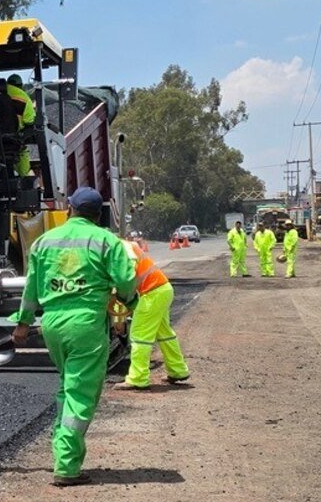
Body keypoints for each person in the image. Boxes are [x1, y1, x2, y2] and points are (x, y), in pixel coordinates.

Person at [10, 187, 136, 486]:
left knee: (68, 386)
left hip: (53, 324)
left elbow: (31, 289)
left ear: (70, 209)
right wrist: (127, 301)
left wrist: (23, 324)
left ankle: (62, 446)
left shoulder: (44, 242)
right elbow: (126, 280)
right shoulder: (106, 241)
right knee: (80, 392)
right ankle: (66, 465)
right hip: (86, 324)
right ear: (98, 215)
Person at [113, 237, 190, 391]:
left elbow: (124, 283)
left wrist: (118, 318)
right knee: (164, 334)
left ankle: (138, 378)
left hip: (152, 293)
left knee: (139, 335)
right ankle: (178, 370)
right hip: (163, 289)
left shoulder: (121, 248)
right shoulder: (126, 245)